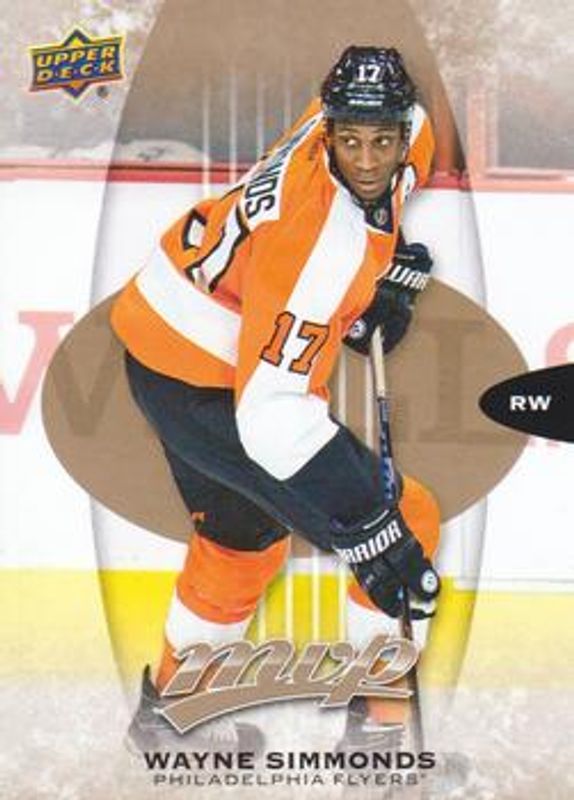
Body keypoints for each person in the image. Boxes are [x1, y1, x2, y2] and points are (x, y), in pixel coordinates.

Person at [111, 45, 441, 753]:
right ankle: (378, 747)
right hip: (211, 383)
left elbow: (378, 198)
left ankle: (170, 718)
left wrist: (381, 275)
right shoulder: (317, 245)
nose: (367, 160)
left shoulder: (393, 127)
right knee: (404, 521)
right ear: (328, 132)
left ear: (401, 126)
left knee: (241, 542)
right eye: (350, 142)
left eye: (381, 141)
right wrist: (364, 525)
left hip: (162, 335)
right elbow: (271, 416)